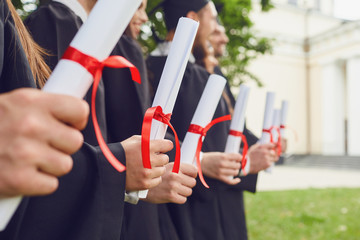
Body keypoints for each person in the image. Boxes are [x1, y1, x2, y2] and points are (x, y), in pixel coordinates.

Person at [0, 0, 175, 239]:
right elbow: (40, 148)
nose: (141, 15)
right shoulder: (54, 21)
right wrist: (115, 168)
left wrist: (125, 174)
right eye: (139, 5)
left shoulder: (83, 30)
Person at [147, 0, 279, 239]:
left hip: (221, 205)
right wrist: (204, 161)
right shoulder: (153, 70)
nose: (217, 31)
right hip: (186, 212)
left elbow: (227, 134)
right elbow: (151, 139)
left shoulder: (202, 73)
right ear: (194, 20)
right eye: (213, 20)